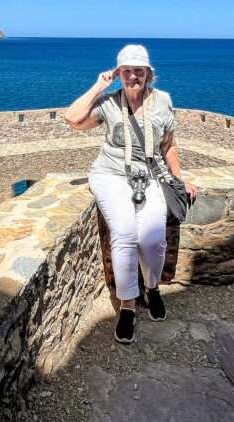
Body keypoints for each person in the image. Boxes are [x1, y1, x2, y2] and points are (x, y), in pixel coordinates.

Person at [63, 44, 198, 344]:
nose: (133, 76)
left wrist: (179, 180)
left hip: (148, 178)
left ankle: (152, 288)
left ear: (149, 74)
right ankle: (127, 305)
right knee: (124, 233)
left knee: (153, 239)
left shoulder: (163, 101)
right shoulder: (109, 102)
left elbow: (169, 145)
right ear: (119, 73)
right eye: (127, 71)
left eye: (139, 70)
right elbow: (72, 119)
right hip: (110, 176)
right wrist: (101, 84)